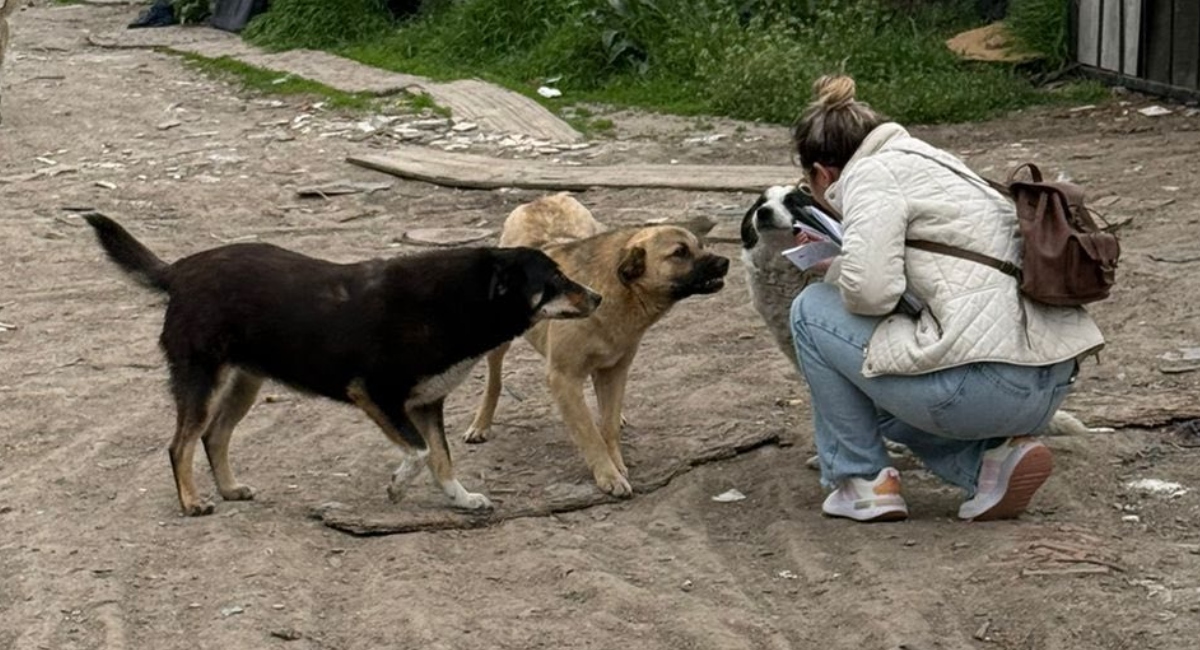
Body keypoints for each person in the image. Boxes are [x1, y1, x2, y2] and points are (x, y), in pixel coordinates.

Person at [787, 74, 1105, 522]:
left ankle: (863, 482)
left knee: (809, 312)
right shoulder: (938, 162)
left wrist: (834, 268)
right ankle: (987, 468)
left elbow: (870, 294)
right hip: (1047, 384)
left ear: (822, 174)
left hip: (981, 389)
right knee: (868, 384)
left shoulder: (870, 176)